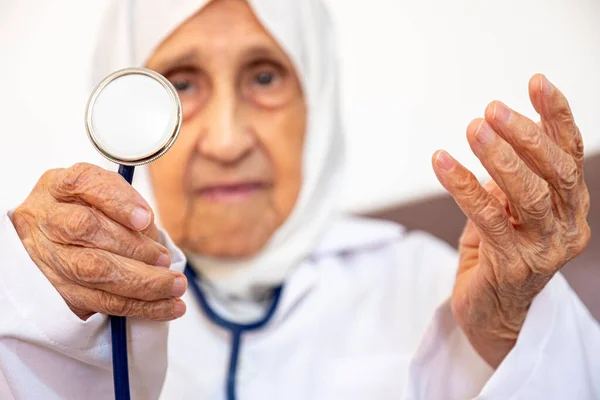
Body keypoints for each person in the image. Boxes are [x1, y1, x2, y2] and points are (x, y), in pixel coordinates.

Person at [1, 0, 599, 398]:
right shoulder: (56, 298)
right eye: (181, 82)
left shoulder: (431, 281)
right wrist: (26, 307)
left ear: (316, 97)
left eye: (265, 77)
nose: (229, 141)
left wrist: (506, 332)